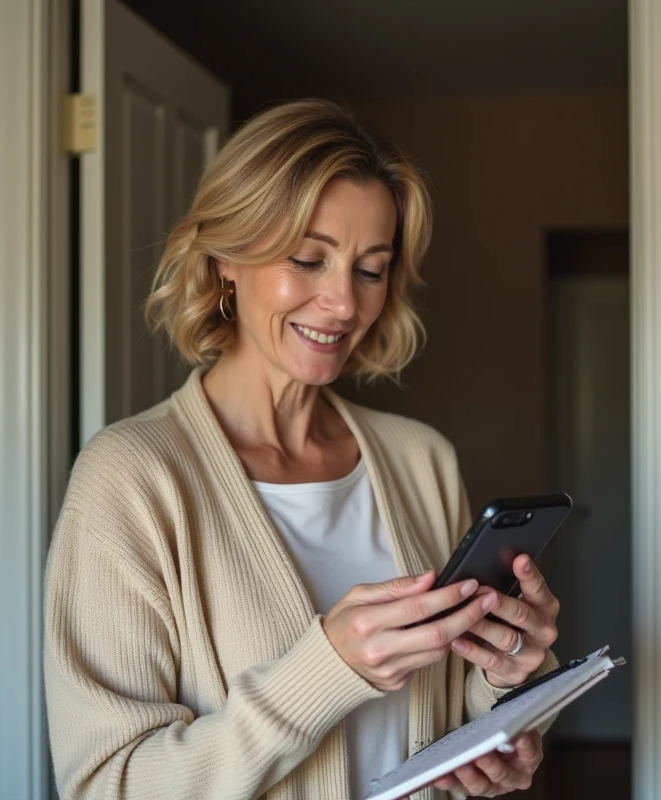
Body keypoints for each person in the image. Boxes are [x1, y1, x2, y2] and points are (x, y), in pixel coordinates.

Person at [43, 98, 563, 800]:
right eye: (308, 259)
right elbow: (110, 785)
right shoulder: (132, 478)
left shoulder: (422, 460)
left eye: (370, 269)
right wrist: (327, 668)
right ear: (226, 257)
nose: (344, 302)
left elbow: (441, 724)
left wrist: (503, 694)